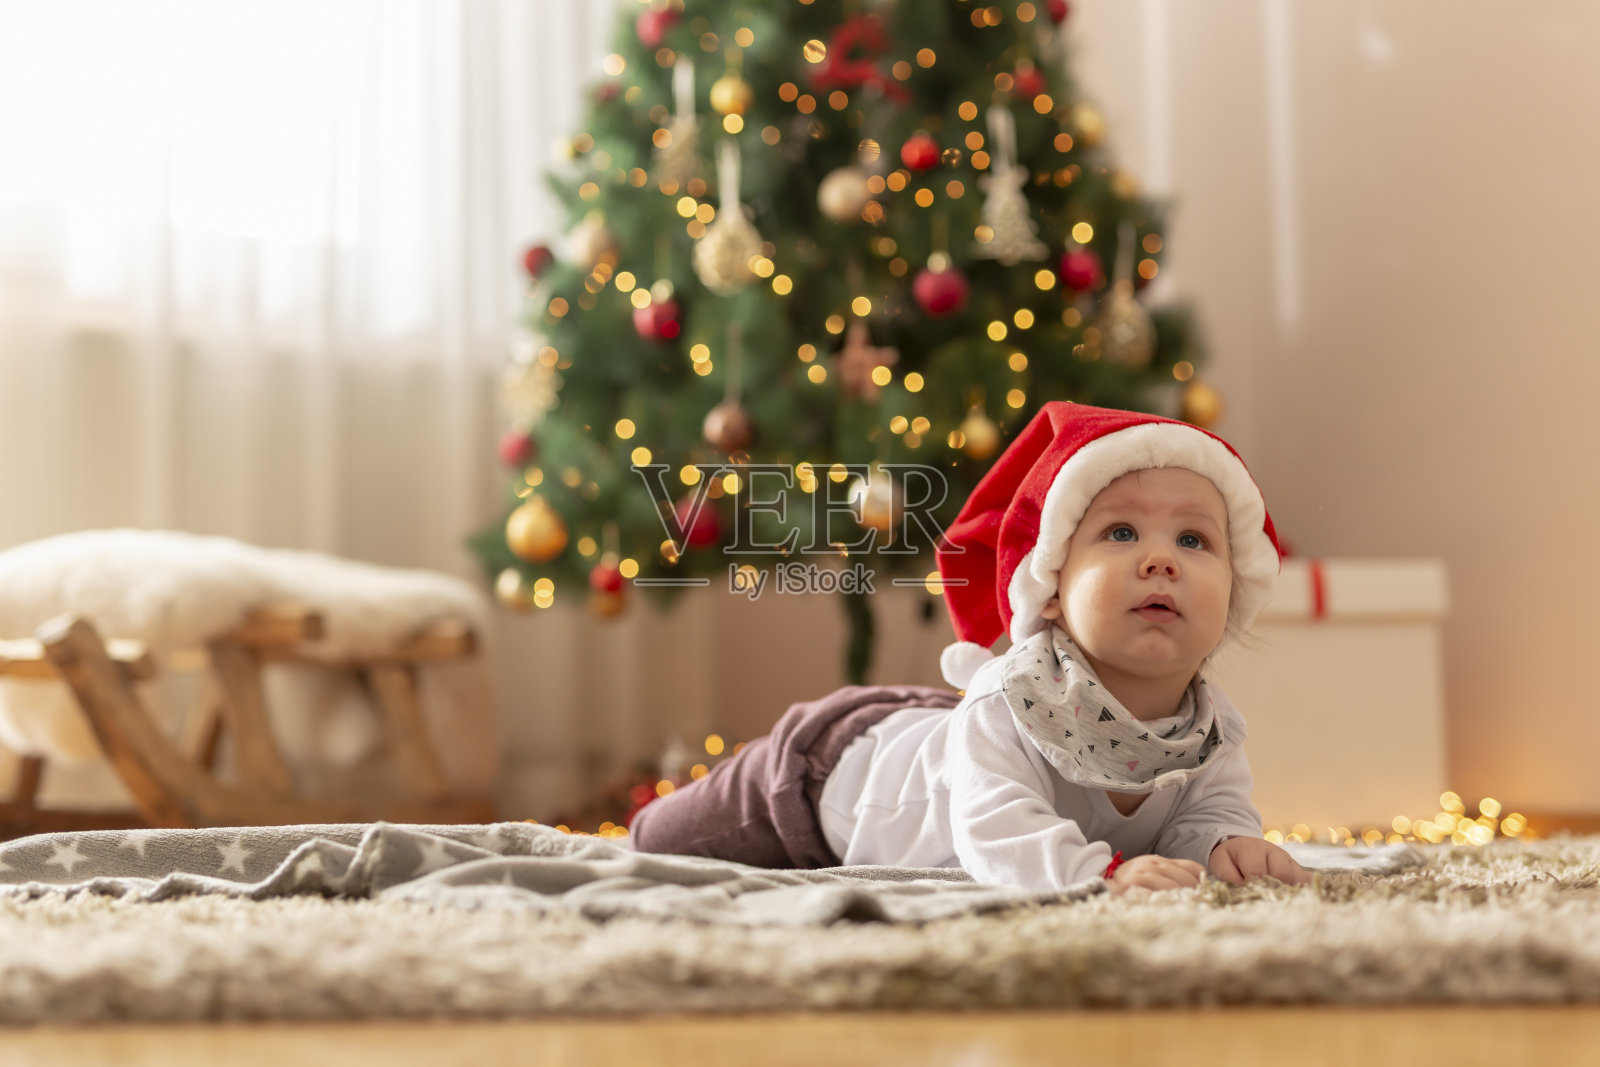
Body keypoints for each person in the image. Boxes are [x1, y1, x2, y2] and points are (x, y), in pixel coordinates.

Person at [630, 402, 1314, 895]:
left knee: (955, 733)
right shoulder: (1013, 702)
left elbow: (1204, 817)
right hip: (824, 776)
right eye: (1122, 533)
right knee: (657, 841)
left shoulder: (1211, 730)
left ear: (1235, 592)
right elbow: (998, 830)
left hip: (939, 730)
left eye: (1193, 540)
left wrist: (1228, 848)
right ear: (1050, 587)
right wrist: (1099, 876)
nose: (1161, 559)